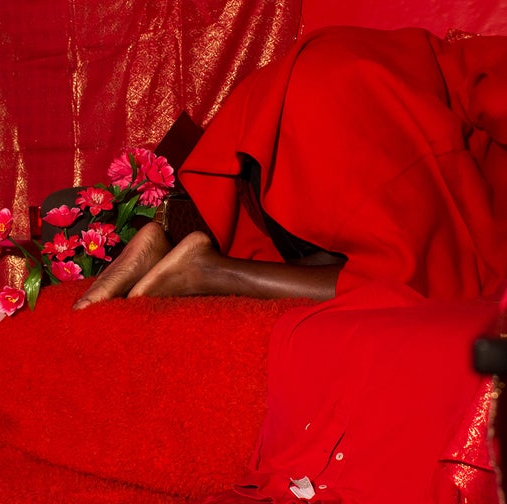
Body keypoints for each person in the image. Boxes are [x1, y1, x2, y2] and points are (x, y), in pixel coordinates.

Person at [75, 25, 507, 312]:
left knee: (352, 261)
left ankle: (167, 249)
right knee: (435, 288)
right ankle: (209, 271)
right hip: (355, 109)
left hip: (279, 111)